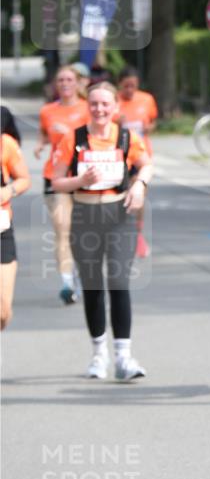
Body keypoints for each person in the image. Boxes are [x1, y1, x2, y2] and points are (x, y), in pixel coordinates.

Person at [51, 82, 153, 382]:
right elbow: (56, 181)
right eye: (94, 104)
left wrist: (138, 185)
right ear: (88, 106)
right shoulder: (74, 138)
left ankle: (124, 356)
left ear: (115, 108)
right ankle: (99, 354)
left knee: (119, 281)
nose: (99, 109)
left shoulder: (125, 137)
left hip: (118, 212)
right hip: (85, 213)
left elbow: (146, 165)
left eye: (105, 104)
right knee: (93, 285)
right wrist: (80, 179)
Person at [34, 65, 89, 304]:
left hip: (83, 176)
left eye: (69, 79)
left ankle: (79, 272)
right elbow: (45, 133)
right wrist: (40, 144)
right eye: (60, 80)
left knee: (82, 232)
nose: (65, 83)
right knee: (61, 228)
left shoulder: (89, 109)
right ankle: (67, 282)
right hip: (55, 176)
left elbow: (95, 139)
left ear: (78, 83)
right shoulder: (47, 111)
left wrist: (69, 132)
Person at [115, 66, 158, 258]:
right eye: (126, 86)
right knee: (121, 198)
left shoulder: (146, 99)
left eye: (133, 86)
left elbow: (153, 121)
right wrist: (118, 123)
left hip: (141, 155)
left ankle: (138, 235)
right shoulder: (113, 101)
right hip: (119, 157)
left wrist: (149, 127)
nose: (130, 90)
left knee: (139, 197)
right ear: (120, 85)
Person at [1, 133, 31, 330]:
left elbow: (23, 179)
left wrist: (8, 191)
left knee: (2, 310)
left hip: (1, 230)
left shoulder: (5, 143)